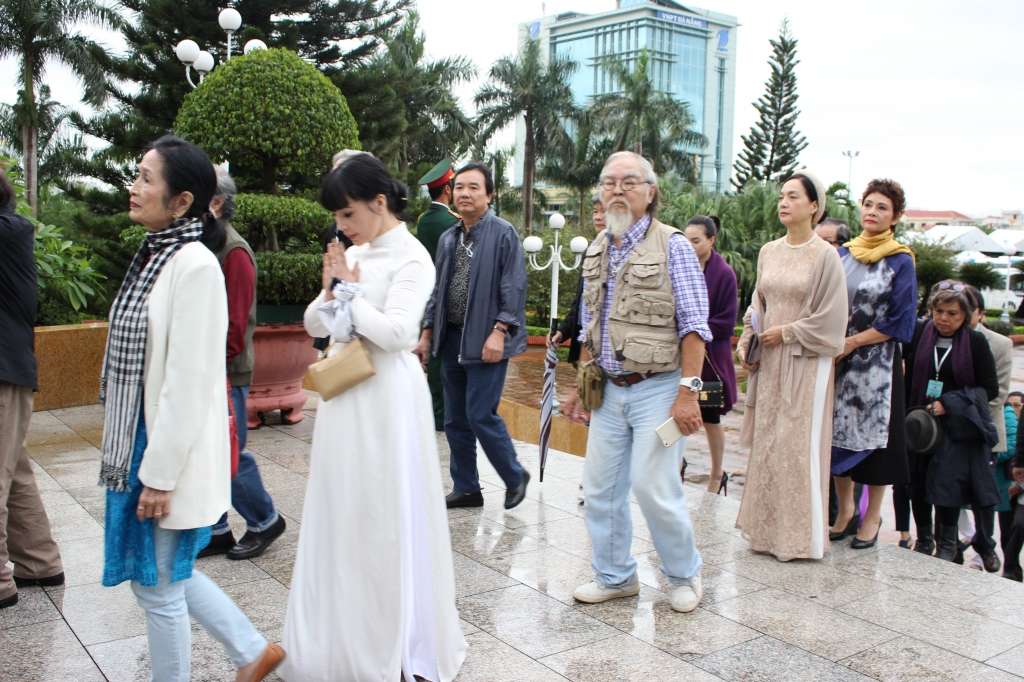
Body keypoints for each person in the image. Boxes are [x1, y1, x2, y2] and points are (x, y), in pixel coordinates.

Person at [100, 136, 283, 681]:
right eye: (136, 176)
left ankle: (247, 653)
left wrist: (159, 475)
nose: (134, 188)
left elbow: (188, 380)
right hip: (139, 438)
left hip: (165, 448)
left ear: (182, 201)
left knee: (157, 584)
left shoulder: (195, 265)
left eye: (146, 180)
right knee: (161, 577)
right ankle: (252, 652)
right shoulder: (153, 256)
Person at [282, 154, 466, 681]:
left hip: (386, 396)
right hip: (345, 395)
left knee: (382, 516)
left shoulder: (413, 257)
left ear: (378, 202)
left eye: (347, 214)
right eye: (338, 217)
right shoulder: (354, 253)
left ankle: (393, 642)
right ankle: (334, 640)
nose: (341, 227)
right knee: (341, 511)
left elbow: (396, 334)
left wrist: (348, 289)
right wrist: (330, 288)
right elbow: (319, 322)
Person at [560, 151, 710, 613]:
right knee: (600, 488)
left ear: (650, 192)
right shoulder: (596, 247)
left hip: (660, 388)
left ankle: (684, 575)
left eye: (629, 181)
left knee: (652, 485)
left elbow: (695, 325)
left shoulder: (674, 246)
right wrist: (582, 389)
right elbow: (590, 326)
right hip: (610, 391)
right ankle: (615, 576)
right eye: (609, 182)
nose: (618, 190)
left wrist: (688, 394)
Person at [735, 171, 848, 561]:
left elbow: (833, 320)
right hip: (769, 363)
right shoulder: (769, 250)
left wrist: (786, 332)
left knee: (797, 447)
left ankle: (801, 540)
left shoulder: (826, 255)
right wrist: (750, 336)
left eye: (794, 196)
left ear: (815, 206)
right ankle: (766, 534)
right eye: (782, 196)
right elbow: (756, 304)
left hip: (806, 362)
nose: (784, 202)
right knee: (768, 443)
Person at [414, 163, 530, 511]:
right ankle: (466, 487)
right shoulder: (450, 237)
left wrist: (499, 332)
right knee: (454, 419)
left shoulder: (503, 234)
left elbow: (514, 288)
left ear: (489, 195)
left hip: (485, 340)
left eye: (474, 187)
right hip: (450, 341)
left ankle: (514, 476)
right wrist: (426, 334)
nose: (464, 193)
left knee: (481, 414)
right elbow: (437, 290)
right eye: (459, 187)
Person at [197, 168, 286, 561]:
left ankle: (265, 520)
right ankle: (216, 528)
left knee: (228, 453)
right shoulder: (201, 243)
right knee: (208, 451)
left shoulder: (233, 251)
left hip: (226, 371)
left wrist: (212, 369)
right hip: (206, 368)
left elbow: (236, 326)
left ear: (215, 202)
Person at [829, 179, 916, 550]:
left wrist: (853, 342)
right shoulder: (843, 254)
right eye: (868, 205)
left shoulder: (901, 260)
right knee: (835, 437)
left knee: (878, 443)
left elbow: (902, 322)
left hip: (877, 367)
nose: (872, 212)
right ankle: (846, 510)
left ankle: (874, 517)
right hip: (838, 362)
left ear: (895, 216)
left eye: (882, 207)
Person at [0, 171, 64, 610]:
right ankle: (38, 562)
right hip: (10, 370)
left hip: (3, 371)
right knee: (14, 470)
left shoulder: (8, 228)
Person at [904, 281, 1000, 564]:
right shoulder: (921, 333)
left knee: (948, 484)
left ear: (966, 315)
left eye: (952, 313)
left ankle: (948, 544)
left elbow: (989, 388)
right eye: (939, 311)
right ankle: (923, 539)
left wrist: (951, 402)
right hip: (920, 424)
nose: (944, 318)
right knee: (917, 482)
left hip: (956, 429)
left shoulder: (975, 343)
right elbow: (908, 377)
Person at [683, 215, 738, 495]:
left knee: (708, 416)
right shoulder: (680, 269)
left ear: (711, 241)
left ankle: (717, 474)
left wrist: (693, 328)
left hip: (709, 363)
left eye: (697, 240)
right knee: (673, 410)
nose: (691, 246)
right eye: (687, 240)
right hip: (680, 359)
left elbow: (728, 322)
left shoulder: (724, 273)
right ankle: (675, 464)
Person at [964, 285, 1013, 572]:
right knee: (946, 490)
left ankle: (982, 548)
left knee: (984, 494)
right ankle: (959, 540)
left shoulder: (1000, 344)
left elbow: (999, 393)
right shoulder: (944, 339)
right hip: (951, 429)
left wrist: (959, 406)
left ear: (980, 313)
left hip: (984, 430)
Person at [416, 159, 462, 431]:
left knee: (433, 351)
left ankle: (435, 409)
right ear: (447, 189)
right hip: (448, 294)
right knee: (445, 354)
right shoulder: (451, 221)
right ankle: (442, 411)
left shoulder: (425, 220)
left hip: (427, 293)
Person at [550, 193, 606, 366]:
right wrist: (563, 331)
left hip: (607, 344)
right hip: (584, 340)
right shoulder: (590, 250)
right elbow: (581, 300)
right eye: (595, 212)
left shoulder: (625, 254)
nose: (598, 217)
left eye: (604, 212)